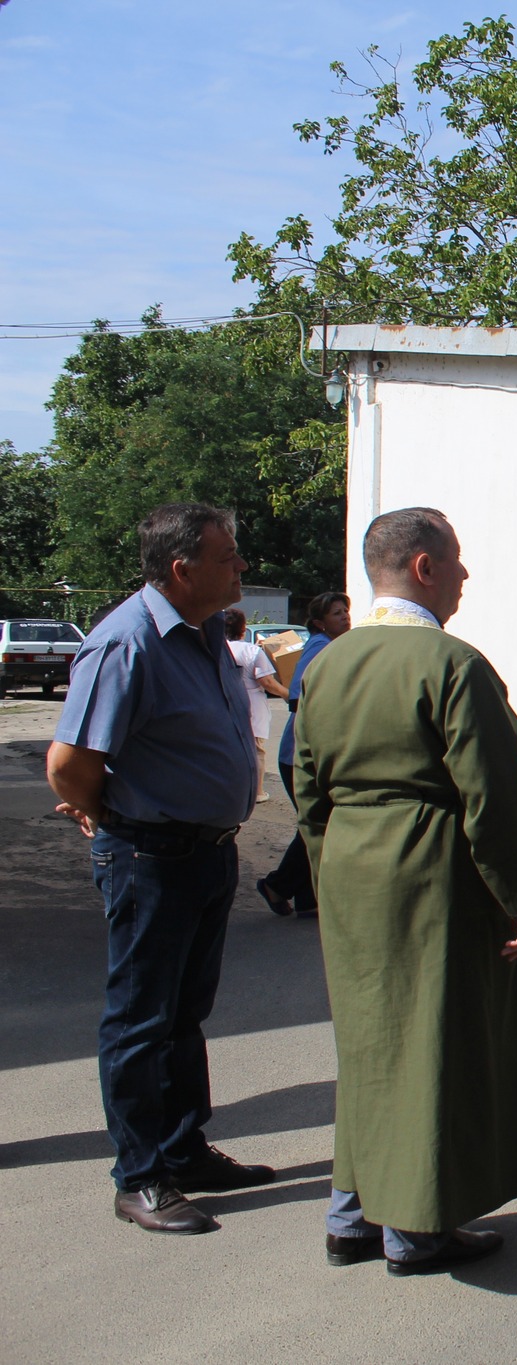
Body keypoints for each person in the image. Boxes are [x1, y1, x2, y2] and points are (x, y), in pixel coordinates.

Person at [295, 508, 517, 1274]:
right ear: (423, 567)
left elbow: (305, 791)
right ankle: (414, 1228)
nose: (466, 576)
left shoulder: (325, 667)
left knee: (372, 1043)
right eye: (459, 561)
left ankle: (350, 1214)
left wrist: (329, 870)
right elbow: (494, 796)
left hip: (351, 867)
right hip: (432, 869)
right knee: (431, 1045)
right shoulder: (451, 665)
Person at [45, 503, 275, 1236]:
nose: (240, 566)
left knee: (182, 1016)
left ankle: (183, 1150)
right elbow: (69, 763)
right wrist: (101, 811)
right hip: (149, 854)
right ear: (183, 569)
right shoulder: (127, 643)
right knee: (140, 1020)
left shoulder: (204, 634)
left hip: (206, 852)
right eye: (228, 555)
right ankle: (139, 1174)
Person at [254, 592, 350, 916]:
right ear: (320, 622)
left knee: (316, 823)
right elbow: (296, 696)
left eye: (346, 611)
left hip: (306, 754)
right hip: (299, 756)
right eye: (337, 613)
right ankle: (277, 885)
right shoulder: (320, 648)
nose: (346, 617)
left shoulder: (330, 646)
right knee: (318, 823)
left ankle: (306, 897)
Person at [222, 609, 288, 803]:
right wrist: (288, 694)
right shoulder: (251, 651)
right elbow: (266, 682)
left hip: (225, 703)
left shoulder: (218, 650)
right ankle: (257, 791)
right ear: (243, 629)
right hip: (252, 705)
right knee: (256, 749)